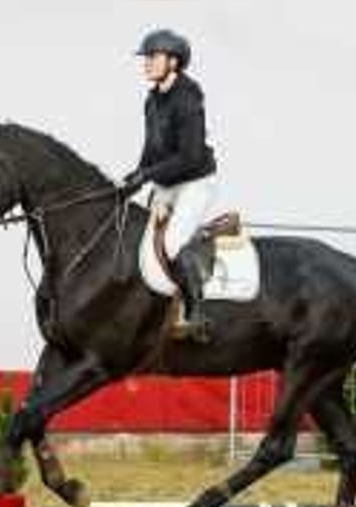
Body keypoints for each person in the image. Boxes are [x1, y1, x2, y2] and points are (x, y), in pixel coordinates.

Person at [123, 29, 218, 343]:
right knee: (141, 241)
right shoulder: (153, 100)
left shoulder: (188, 98)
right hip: (167, 183)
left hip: (194, 182)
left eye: (153, 57)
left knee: (173, 244)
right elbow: (151, 148)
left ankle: (196, 314)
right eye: (146, 58)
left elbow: (190, 157)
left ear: (173, 62)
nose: (147, 63)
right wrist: (133, 180)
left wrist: (147, 174)